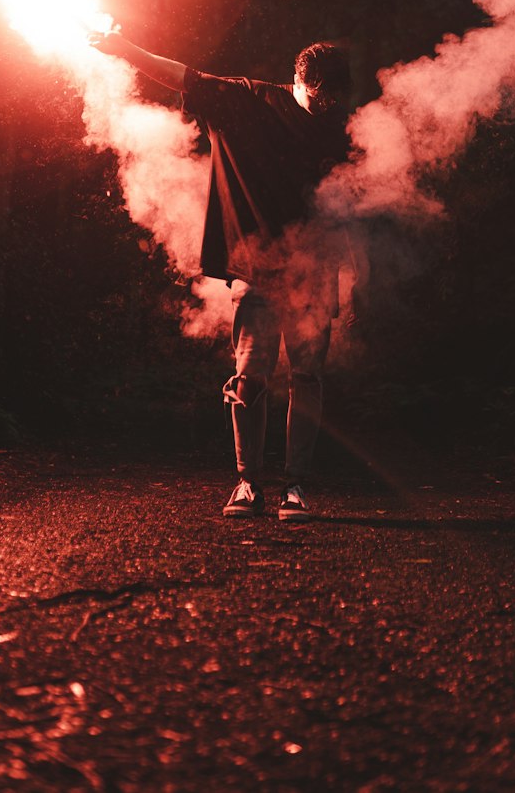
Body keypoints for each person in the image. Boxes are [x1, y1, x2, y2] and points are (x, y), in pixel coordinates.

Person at [88, 30, 356, 522]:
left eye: (334, 98)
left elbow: (350, 202)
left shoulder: (337, 125)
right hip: (256, 270)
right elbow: (177, 74)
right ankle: (248, 483)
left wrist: (357, 279)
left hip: (315, 273)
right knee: (248, 378)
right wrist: (121, 46)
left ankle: (295, 487)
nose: (325, 106)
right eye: (318, 95)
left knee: (307, 377)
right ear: (297, 79)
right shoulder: (246, 100)